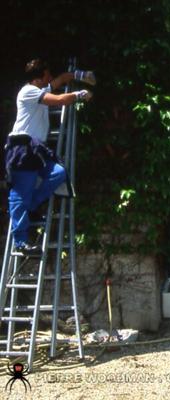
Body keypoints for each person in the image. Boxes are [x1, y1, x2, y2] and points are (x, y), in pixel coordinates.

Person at [5, 59, 94, 255]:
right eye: (47, 75)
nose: (50, 78)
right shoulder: (28, 91)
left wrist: (81, 76)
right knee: (20, 195)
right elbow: (60, 100)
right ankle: (20, 241)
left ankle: (31, 206)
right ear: (38, 78)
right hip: (22, 147)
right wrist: (80, 94)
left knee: (59, 173)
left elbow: (60, 80)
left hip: (36, 148)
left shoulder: (39, 89)